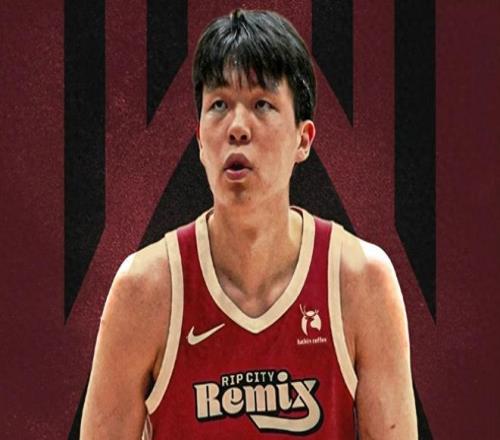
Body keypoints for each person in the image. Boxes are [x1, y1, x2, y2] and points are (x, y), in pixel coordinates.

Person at [81, 9, 417, 439]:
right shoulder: (144, 290)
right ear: (200, 140)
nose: (237, 127)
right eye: (219, 105)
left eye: (262, 104)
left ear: (303, 139)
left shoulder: (361, 282)